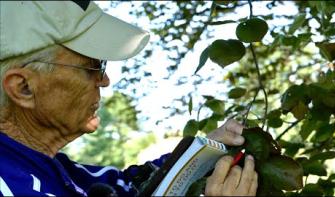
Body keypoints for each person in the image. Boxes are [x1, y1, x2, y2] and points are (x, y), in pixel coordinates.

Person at [0, 1, 258, 196]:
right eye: (92, 66)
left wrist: (201, 153)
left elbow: (132, 185)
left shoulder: (58, 171)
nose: (104, 80)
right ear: (23, 88)